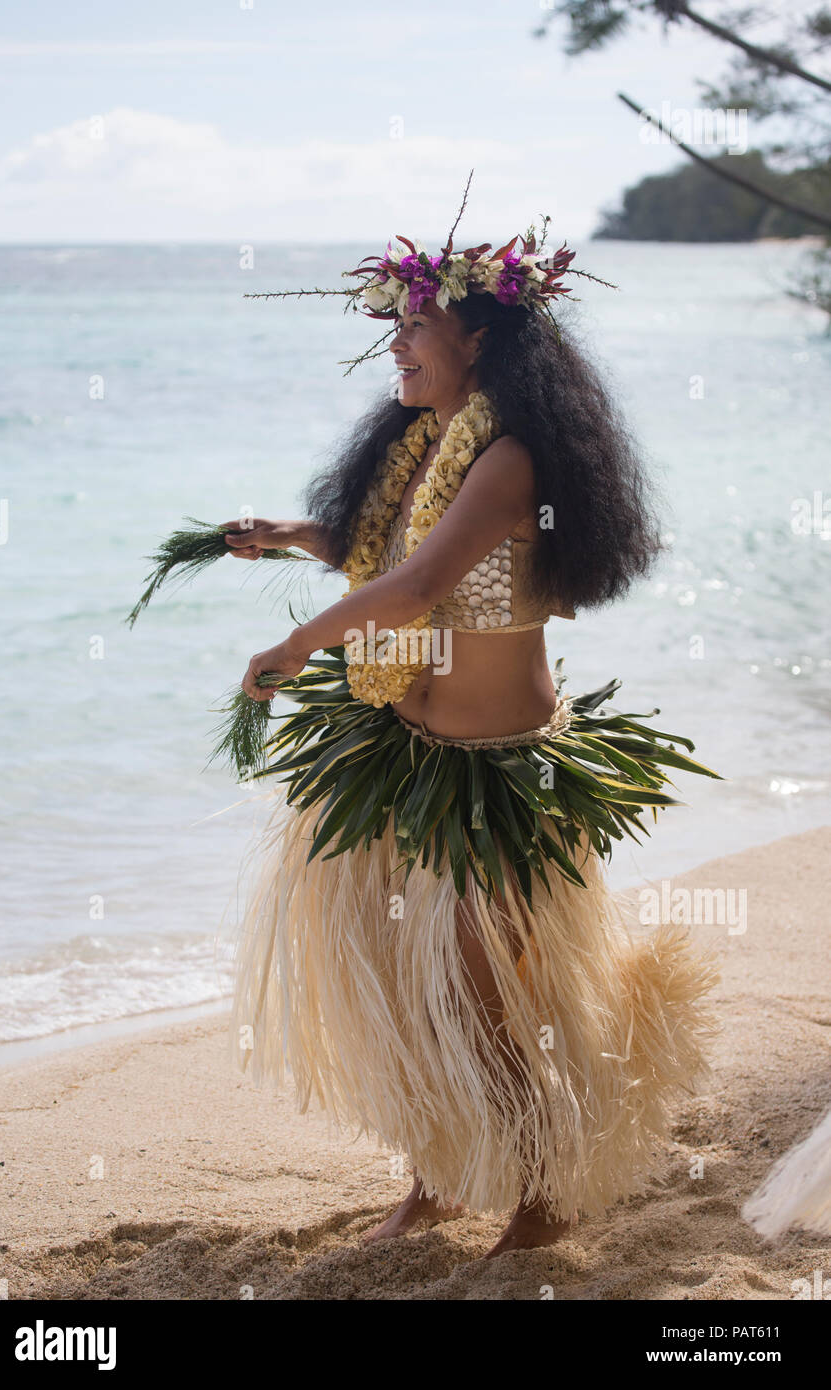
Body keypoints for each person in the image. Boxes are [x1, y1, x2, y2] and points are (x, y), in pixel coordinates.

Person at [222, 207, 720, 1258]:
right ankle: (439, 1175)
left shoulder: (506, 462)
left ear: (479, 340)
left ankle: (543, 1191)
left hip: (495, 783)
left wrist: (298, 645)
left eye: (411, 327)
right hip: (404, 761)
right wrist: (295, 535)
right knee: (414, 993)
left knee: (491, 1001)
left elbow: (416, 584)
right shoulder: (427, 448)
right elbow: (385, 550)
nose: (392, 344)